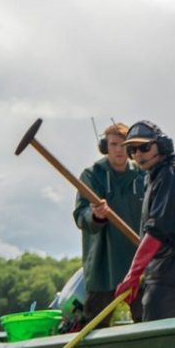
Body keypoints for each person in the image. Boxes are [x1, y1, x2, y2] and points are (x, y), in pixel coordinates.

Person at [114, 120, 175, 321]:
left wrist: (132, 274)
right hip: (162, 275)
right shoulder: (156, 176)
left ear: (163, 145)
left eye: (145, 147)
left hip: (174, 277)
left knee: (161, 342)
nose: (138, 154)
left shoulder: (172, 176)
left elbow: (158, 231)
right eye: (133, 150)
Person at [73, 122, 146, 326]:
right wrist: (96, 215)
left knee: (148, 318)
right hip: (103, 264)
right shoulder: (91, 175)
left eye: (124, 145)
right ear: (106, 146)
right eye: (114, 144)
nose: (119, 150)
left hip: (138, 263)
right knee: (95, 323)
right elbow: (81, 215)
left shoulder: (142, 175)